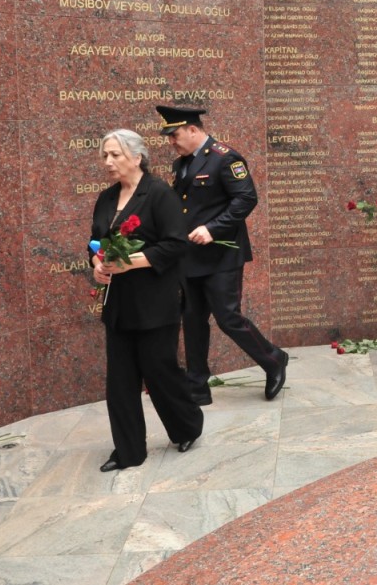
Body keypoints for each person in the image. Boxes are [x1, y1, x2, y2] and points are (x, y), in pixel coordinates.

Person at [90, 130, 203, 471]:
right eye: (105, 156)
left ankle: (186, 426)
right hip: (118, 304)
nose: (108, 162)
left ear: (137, 157)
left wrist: (127, 263)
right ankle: (128, 451)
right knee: (120, 380)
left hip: (155, 302)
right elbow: (96, 242)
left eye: (116, 155)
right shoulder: (106, 198)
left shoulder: (158, 194)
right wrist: (97, 265)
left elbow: (174, 245)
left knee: (160, 373)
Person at [159, 106, 288, 403]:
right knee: (192, 320)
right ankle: (197, 386)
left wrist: (212, 229)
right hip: (189, 257)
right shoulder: (182, 164)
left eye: (175, 135)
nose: (172, 142)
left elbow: (246, 198)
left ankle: (273, 360)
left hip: (222, 256)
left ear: (193, 130)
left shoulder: (225, 158)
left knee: (228, 317)